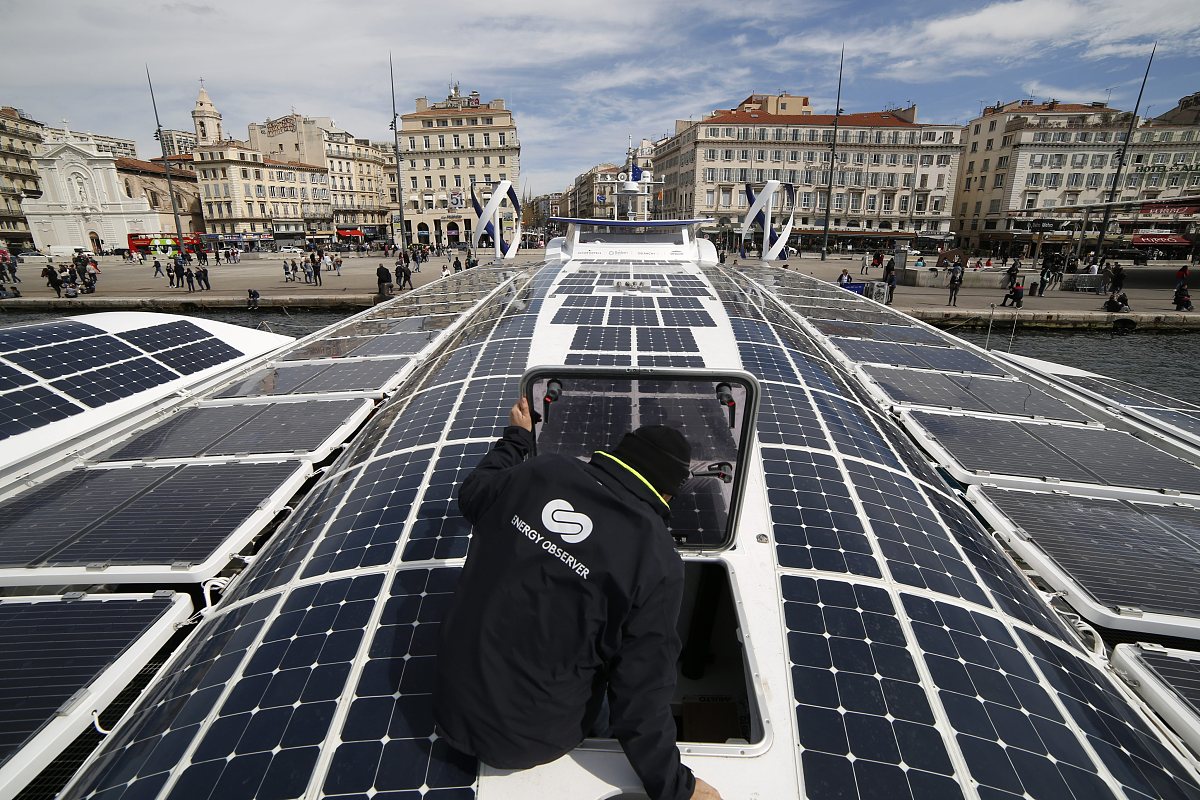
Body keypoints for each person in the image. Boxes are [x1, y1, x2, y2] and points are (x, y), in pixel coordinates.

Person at [435, 399, 722, 800]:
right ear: (667, 495)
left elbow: (473, 493)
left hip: (449, 702)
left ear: (619, 455)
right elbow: (641, 691)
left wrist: (516, 439)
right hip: (532, 739)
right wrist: (677, 787)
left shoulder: (541, 471)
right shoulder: (656, 558)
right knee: (604, 703)